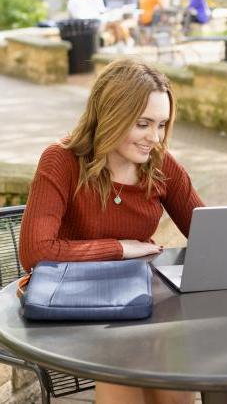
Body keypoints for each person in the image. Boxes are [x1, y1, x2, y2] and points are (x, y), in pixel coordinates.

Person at [19, 58, 203, 404]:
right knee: (125, 370)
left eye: (162, 125)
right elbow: (36, 252)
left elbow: (212, 235)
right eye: (143, 124)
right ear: (111, 115)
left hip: (137, 303)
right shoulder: (61, 160)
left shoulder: (161, 164)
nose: (155, 137)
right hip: (76, 303)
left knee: (176, 390)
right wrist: (120, 248)